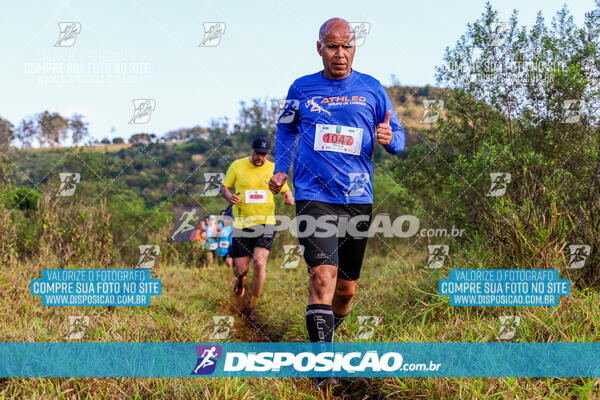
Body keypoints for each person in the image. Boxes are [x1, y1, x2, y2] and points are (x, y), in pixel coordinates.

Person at [268, 18, 406, 390]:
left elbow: (401, 138)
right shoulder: (301, 88)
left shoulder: (372, 89)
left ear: (355, 48)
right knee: (322, 276)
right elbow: (286, 128)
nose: (340, 54)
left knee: (346, 290)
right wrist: (282, 169)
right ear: (319, 48)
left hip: (357, 198)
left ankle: (324, 338)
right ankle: (323, 371)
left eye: (346, 46)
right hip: (314, 197)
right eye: (332, 46)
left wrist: (391, 138)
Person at [221, 136, 295, 322]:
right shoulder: (237, 166)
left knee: (260, 263)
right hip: (242, 224)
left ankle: (253, 305)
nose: (260, 158)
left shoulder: (273, 168)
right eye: (258, 153)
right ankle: (240, 280)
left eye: (264, 154)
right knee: (242, 270)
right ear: (251, 150)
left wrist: (288, 196)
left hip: (266, 223)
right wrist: (229, 196)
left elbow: (285, 188)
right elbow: (224, 187)